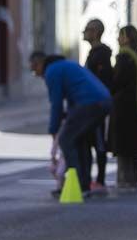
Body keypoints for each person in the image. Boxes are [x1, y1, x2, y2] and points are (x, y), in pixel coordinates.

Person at [29, 51, 112, 196]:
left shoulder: (52, 72)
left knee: (66, 140)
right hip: (103, 100)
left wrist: (54, 130)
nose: (36, 74)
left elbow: (56, 103)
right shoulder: (65, 65)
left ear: (39, 64)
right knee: (80, 140)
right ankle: (84, 184)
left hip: (90, 103)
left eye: (34, 70)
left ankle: (77, 184)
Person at [109, 25, 137, 190]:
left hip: (122, 106)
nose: (118, 39)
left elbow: (116, 81)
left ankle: (124, 178)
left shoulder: (124, 57)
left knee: (123, 144)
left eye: (121, 36)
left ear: (127, 38)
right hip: (136, 106)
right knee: (133, 144)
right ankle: (134, 177)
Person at [81, 19, 114, 193]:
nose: (83, 32)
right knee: (89, 142)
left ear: (95, 32)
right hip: (88, 105)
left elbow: (104, 80)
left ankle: (100, 179)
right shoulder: (93, 53)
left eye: (86, 29)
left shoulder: (101, 54)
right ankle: (90, 178)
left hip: (96, 106)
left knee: (98, 141)